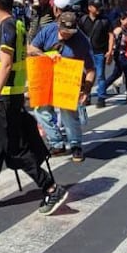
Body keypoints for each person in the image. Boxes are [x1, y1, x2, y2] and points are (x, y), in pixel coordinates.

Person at [0, 0, 70, 215]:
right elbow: (27, 52)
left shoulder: (6, 27)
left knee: (14, 149)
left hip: (5, 98)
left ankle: (50, 187)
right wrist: (47, 56)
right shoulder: (18, 25)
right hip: (12, 95)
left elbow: (7, 63)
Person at [28, 9, 95, 162]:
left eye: (70, 32)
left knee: (69, 114)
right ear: (58, 26)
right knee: (41, 111)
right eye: (64, 31)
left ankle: (76, 145)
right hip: (46, 78)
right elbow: (31, 49)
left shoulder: (82, 41)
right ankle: (56, 143)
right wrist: (47, 55)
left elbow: (91, 70)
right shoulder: (48, 30)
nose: (67, 35)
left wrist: (86, 90)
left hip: (67, 81)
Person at [78, 0, 114, 108]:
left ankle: (101, 98)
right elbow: (78, 34)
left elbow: (111, 35)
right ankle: (86, 96)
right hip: (85, 52)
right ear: (90, 8)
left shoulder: (105, 20)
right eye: (96, 7)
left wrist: (110, 51)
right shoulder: (83, 20)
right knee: (85, 76)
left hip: (100, 52)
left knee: (100, 75)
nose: (98, 9)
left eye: (99, 7)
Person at [103, 12, 127, 103]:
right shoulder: (118, 30)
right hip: (120, 55)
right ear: (121, 20)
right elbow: (113, 42)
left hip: (124, 54)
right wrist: (112, 52)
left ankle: (102, 88)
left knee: (116, 74)